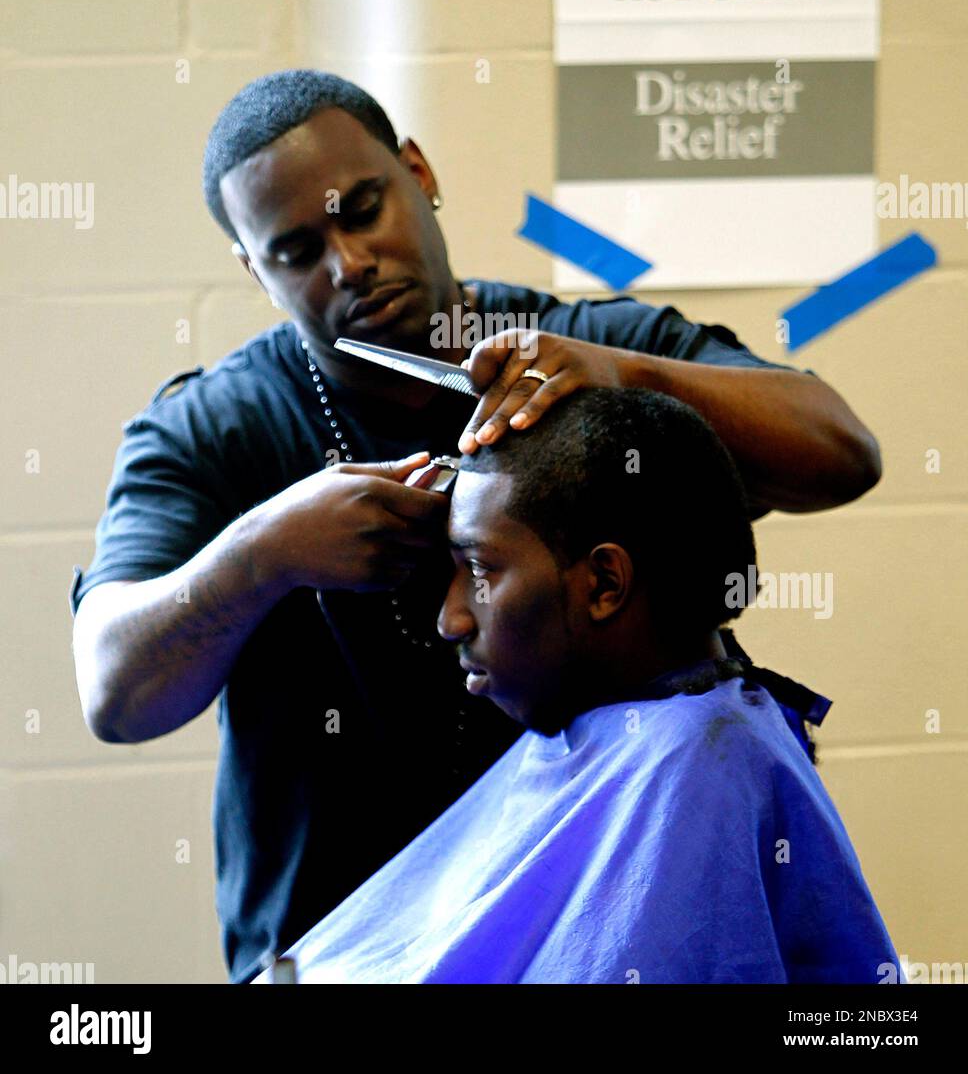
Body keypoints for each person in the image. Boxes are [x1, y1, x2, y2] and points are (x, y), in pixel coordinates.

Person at [69, 70, 882, 985]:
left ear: (419, 172)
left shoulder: (582, 343)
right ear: (255, 271)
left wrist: (624, 378)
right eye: (296, 250)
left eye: (365, 209)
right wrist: (263, 556)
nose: (348, 263)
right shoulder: (210, 433)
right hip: (338, 945)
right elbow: (114, 692)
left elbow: (843, 451)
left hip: (589, 929)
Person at [253, 388, 899, 985]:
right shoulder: (620, 726)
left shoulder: (702, 765)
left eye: (477, 569)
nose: (450, 618)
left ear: (603, 585)